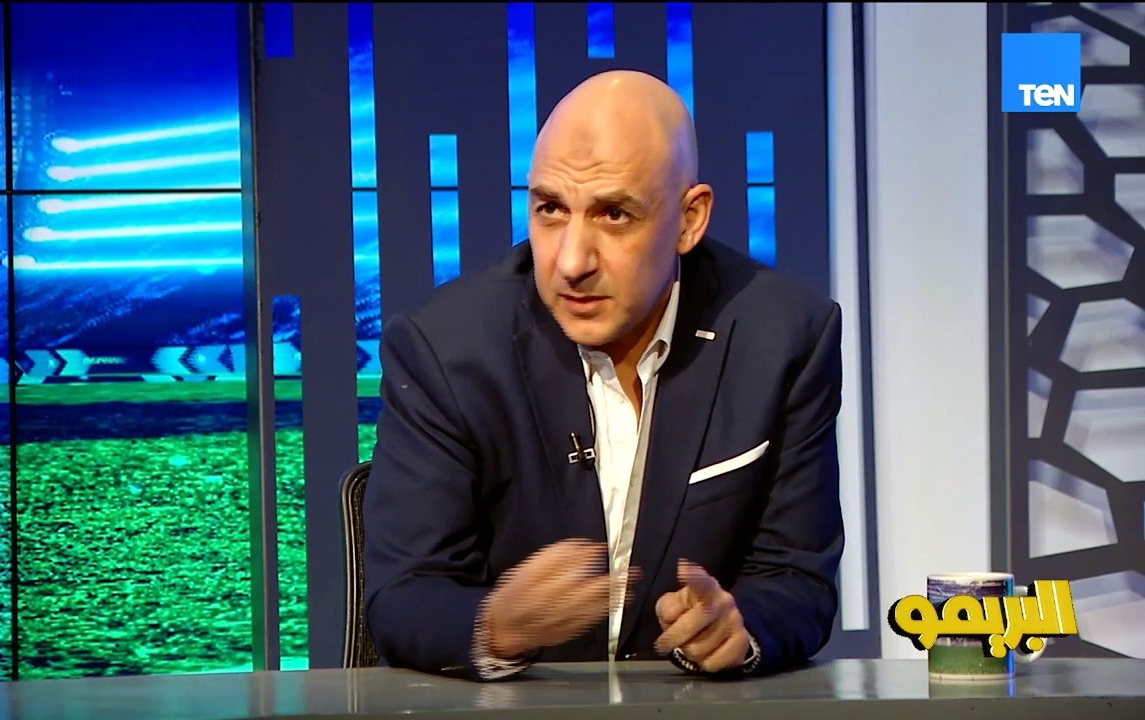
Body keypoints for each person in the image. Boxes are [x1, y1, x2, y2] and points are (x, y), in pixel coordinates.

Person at [362, 69, 844, 680]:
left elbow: (797, 578)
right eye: (550, 209)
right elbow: (403, 593)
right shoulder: (446, 348)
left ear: (690, 219)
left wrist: (739, 627)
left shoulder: (783, 339)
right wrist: (497, 625)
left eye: (614, 214)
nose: (571, 262)